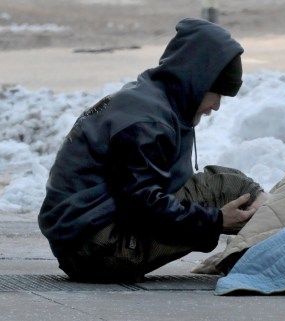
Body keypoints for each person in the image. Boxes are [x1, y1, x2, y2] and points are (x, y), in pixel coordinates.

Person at [38, 18, 267, 283]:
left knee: (226, 184)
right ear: (197, 82)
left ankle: (257, 251)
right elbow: (143, 205)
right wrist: (215, 221)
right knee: (227, 187)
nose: (216, 106)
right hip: (100, 249)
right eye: (217, 93)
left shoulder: (149, 101)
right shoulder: (147, 123)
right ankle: (282, 254)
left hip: (86, 243)